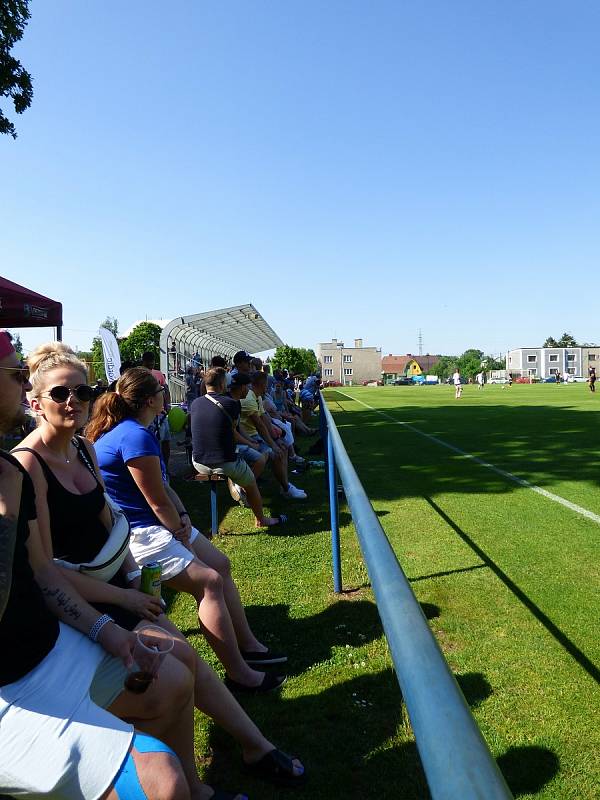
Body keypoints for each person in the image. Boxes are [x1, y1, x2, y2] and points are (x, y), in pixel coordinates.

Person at [0, 331, 249, 800]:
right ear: (35, 402)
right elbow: (48, 570)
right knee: (188, 639)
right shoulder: (23, 467)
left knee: (179, 667)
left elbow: (107, 523)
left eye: (84, 391)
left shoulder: (77, 452)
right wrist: (118, 605)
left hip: (90, 601)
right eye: (59, 393)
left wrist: (133, 579)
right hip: (75, 609)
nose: (75, 401)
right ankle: (241, 738)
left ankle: (217, 766)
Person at [87, 367, 287, 693]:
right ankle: (239, 674)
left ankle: (249, 646)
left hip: (157, 524)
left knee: (220, 566)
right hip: (141, 534)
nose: (167, 395)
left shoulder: (134, 430)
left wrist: (183, 516)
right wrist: (178, 530)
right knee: (209, 582)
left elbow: (165, 490)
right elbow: (155, 502)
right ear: (152, 399)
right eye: (163, 390)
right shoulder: (135, 435)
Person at [191, 368, 283, 528]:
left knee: (246, 456)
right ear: (222, 383)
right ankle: (261, 519)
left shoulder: (195, 403)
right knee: (251, 482)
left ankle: (236, 484)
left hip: (198, 462)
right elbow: (233, 432)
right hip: (224, 461)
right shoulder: (231, 404)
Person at [240, 371, 307, 500]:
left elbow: (264, 418)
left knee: (284, 447)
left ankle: (285, 486)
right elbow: (259, 425)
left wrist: (276, 439)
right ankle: (286, 488)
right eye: (266, 383)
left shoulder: (257, 396)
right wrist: (273, 444)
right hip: (249, 438)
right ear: (262, 384)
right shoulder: (249, 399)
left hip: (255, 436)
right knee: (277, 453)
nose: (268, 386)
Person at [141, 351, 172, 471]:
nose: (151, 363)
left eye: (153, 361)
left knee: (166, 441)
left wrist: (167, 405)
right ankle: (156, 469)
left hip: (161, 414)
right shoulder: (140, 375)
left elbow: (166, 390)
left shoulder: (158, 374)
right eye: (149, 361)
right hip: (149, 415)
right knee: (153, 442)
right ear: (143, 361)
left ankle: (166, 468)